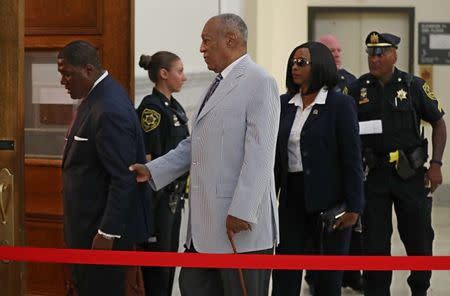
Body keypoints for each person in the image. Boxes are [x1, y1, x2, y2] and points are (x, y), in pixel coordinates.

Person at [130, 13, 280, 296]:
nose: (201, 48)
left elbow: (261, 154)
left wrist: (242, 210)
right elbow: (194, 145)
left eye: (206, 41)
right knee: (192, 287)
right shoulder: (216, 84)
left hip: (239, 229)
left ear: (231, 39)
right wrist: (153, 170)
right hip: (204, 230)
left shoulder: (260, 81)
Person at [346, 31, 446, 296]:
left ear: (394, 55)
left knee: (419, 237)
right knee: (375, 242)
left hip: (409, 173)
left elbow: (438, 122)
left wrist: (436, 164)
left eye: (380, 53)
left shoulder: (412, 86)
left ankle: (420, 289)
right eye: (370, 53)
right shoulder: (358, 89)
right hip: (373, 176)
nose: (374, 59)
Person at [58, 40, 153, 296]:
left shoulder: (109, 107)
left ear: (88, 69)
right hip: (85, 228)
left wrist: (106, 232)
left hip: (100, 235)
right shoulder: (96, 97)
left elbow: (123, 178)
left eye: (67, 73)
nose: (63, 81)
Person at [271, 41, 364, 296]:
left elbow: (352, 159)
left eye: (302, 62)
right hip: (291, 199)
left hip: (330, 202)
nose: (295, 67)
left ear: (320, 66)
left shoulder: (339, 104)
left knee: (327, 281)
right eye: (292, 62)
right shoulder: (283, 103)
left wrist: (355, 207)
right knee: (285, 276)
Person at [136, 52, 189, 296]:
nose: (185, 77)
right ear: (163, 74)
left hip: (174, 198)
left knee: (168, 264)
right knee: (157, 268)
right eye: (179, 71)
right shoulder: (151, 109)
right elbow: (149, 157)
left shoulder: (174, 107)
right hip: (157, 199)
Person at [317, 34, 364, 293]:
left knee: (352, 224)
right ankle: (315, 277)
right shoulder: (311, 82)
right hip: (319, 167)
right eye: (330, 50)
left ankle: (351, 274)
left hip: (347, 163)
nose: (336, 54)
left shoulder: (352, 84)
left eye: (339, 49)